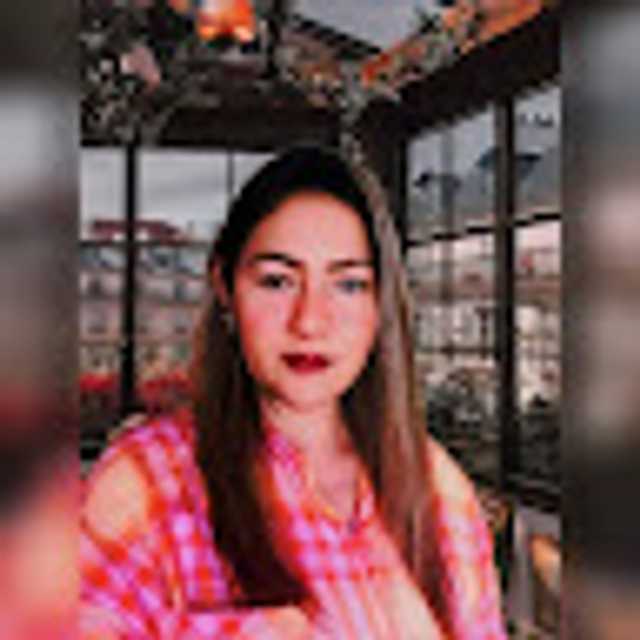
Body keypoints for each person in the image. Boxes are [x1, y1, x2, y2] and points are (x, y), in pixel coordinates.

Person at [80, 146, 506, 639]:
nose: (310, 322)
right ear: (225, 287)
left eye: (349, 285)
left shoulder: (438, 491)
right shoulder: (147, 485)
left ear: (382, 304)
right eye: (277, 281)